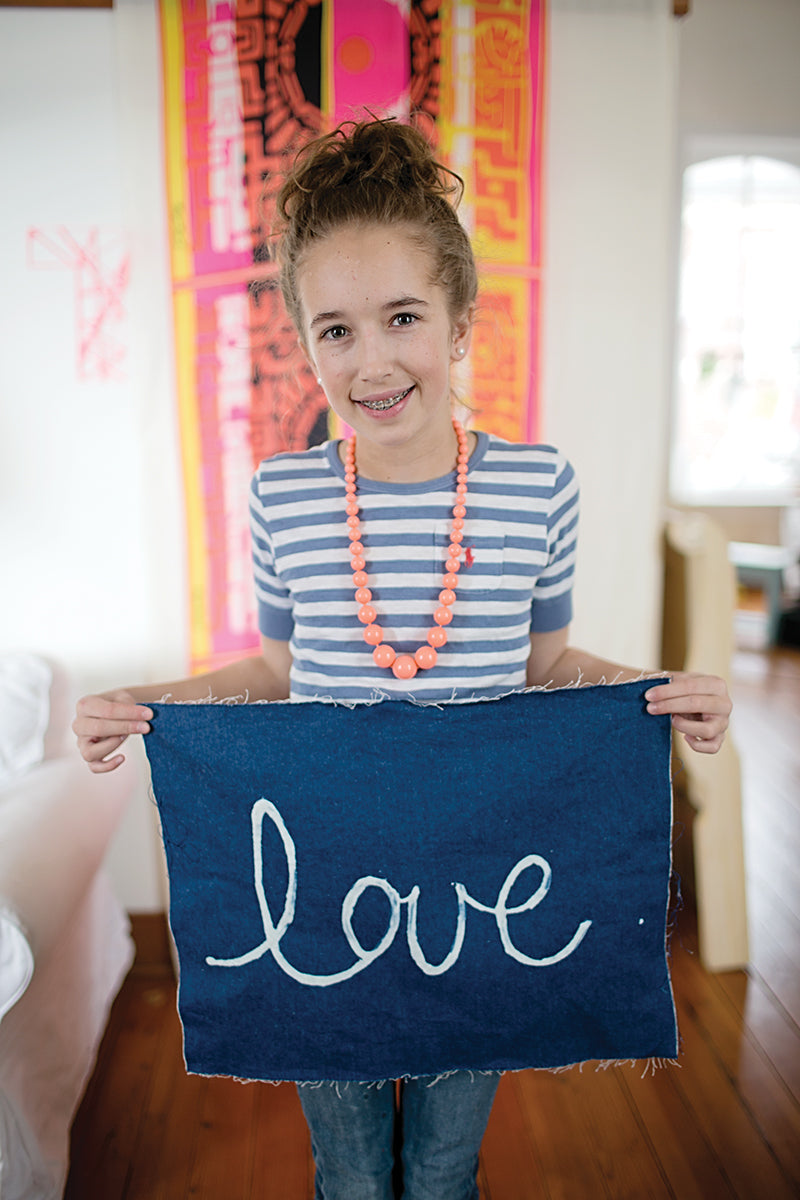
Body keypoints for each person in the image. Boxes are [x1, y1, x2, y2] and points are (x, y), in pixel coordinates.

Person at [73, 117, 732, 1200]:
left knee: (437, 1167)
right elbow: (275, 673)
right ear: (303, 341)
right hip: (323, 896)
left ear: (459, 323)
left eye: (401, 318)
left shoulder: (537, 486)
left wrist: (653, 695)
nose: (370, 360)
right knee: (347, 1169)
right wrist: (145, 701)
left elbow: (546, 663)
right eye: (334, 329)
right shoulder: (283, 497)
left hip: (478, 892)